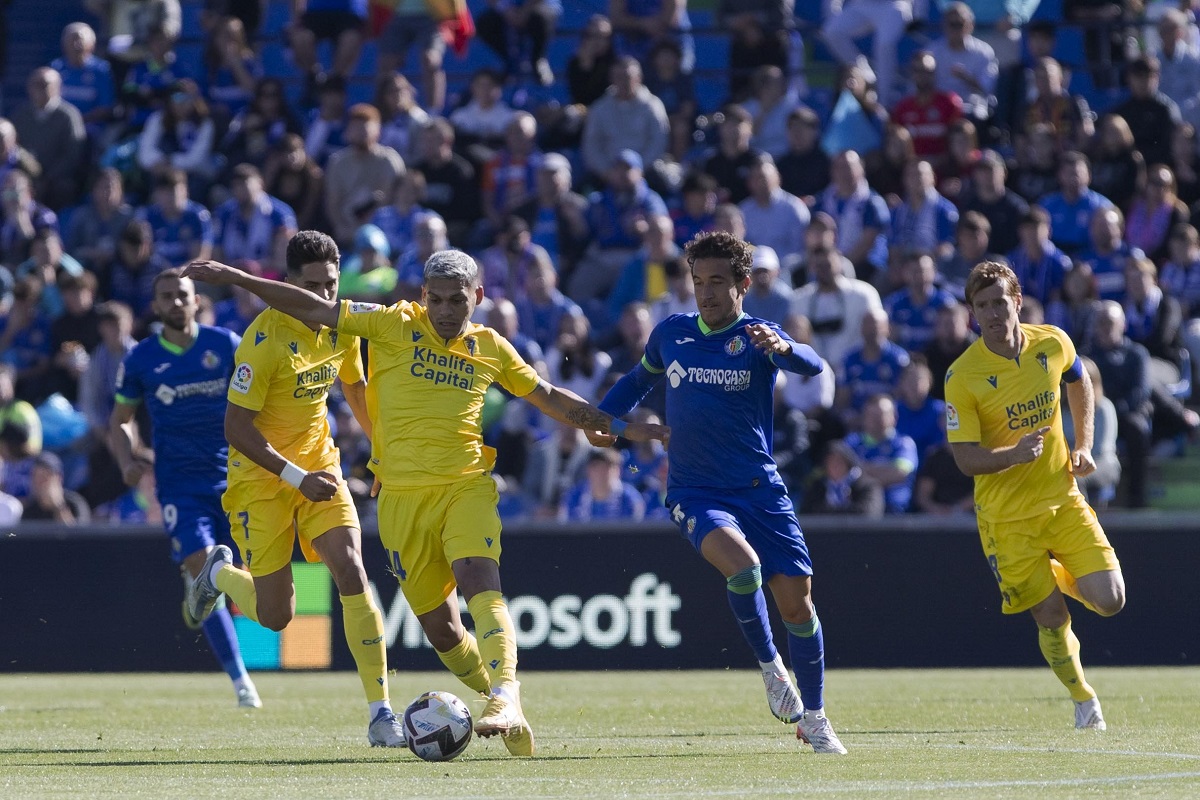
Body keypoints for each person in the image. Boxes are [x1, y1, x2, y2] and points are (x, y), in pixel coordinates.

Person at [182, 249, 669, 758]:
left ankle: (494, 696)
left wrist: (620, 427)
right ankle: (496, 697)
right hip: (398, 501)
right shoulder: (390, 325)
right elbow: (316, 310)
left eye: (456, 300)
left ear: (476, 298)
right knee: (439, 629)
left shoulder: (491, 347)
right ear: (421, 297)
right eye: (434, 299)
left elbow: (548, 395)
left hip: (465, 487)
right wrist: (237, 278)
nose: (443, 310)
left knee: (473, 576)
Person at [593, 230, 848, 754]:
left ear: (742, 284)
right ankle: (771, 669)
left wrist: (787, 347)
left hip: (761, 491)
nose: (706, 293)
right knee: (744, 567)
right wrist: (601, 417)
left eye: (717, 282)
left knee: (797, 607)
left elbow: (813, 365)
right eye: (698, 281)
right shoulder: (671, 334)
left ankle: (816, 718)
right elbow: (637, 382)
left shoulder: (757, 336)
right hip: (695, 490)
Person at [182, 230, 403, 746]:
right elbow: (235, 429)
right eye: (314, 286)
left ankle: (380, 714)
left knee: (351, 567)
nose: (326, 296)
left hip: (320, 466)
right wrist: (294, 477)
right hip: (262, 482)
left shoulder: (341, 326)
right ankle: (221, 573)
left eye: (331, 283)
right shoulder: (263, 340)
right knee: (276, 617)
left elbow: (354, 385)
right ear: (288, 283)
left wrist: (382, 455)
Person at [944, 260, 1125, 730]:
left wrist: (1083, 445)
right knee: (1049, 615)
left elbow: (1079, 380)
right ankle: (1084, 700)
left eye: (999, 303)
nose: (991, 313)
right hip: (1006, 520)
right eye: (981, 306)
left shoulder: (1052, 341)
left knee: (1110, 599)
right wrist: (1012, 454)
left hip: (1063, 499)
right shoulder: (961, 376)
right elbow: (965, 459)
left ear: (1017, 302)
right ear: (972, 313)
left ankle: (1056, 574)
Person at [108, 268, 260, 709]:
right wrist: (127, 460)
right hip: (180, 489)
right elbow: (119, 420)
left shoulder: (225, 345)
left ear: (197, 300)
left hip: (237, 482)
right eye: (166, 296)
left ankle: (199, 596)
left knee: (235, 582)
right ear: (155, 305)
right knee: (205, 567)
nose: (176, 302)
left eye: (183, 295)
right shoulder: (141, 359)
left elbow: (259, 402)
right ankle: (241, 682)